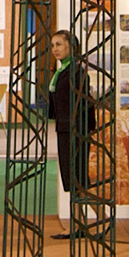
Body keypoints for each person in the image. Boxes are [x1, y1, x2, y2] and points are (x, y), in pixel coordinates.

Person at [46, 30, 97, 240]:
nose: (55, 49)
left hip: (75, 131)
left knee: (78, 180)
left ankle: (103, 219)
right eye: (52, 45)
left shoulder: (76, 71)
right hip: (64, 129)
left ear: (70, 46)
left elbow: (85, 103)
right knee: (71, 180)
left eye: (59, 44)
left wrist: (84, 129)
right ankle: (78, 226)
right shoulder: (62, 71)